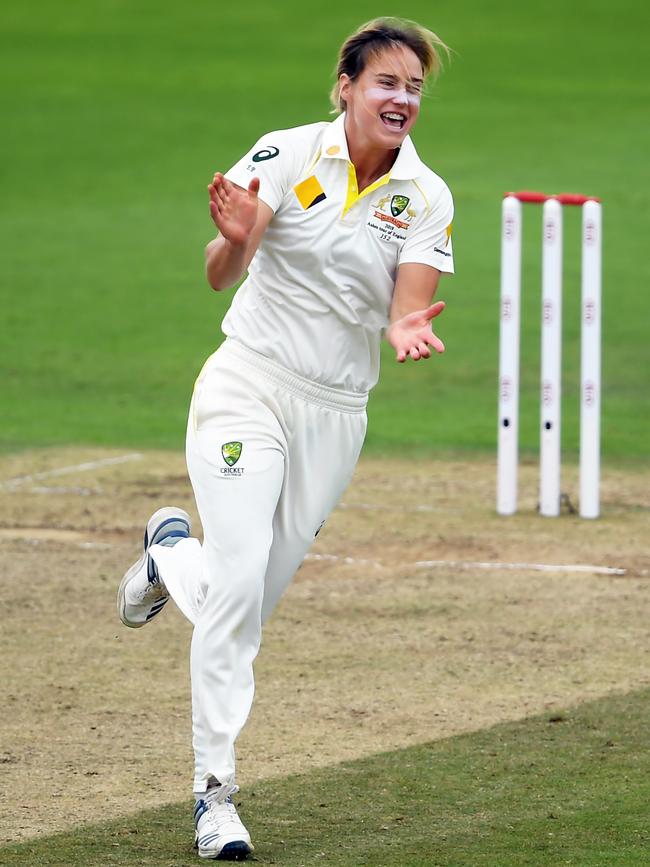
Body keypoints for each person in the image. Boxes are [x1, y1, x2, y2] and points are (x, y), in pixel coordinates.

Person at [117, 16, 454, 861]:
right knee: (235, 587)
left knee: (247, 600)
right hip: (247, 383)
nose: (401, 98)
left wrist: (407, 329)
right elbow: (220, 270)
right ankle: (215, 796)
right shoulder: (286, 154)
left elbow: (409, 301)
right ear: (345, 86)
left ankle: (167, 559)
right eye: (386, 82)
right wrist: (234, 243)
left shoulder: (426, 195)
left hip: (335, 414)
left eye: (413, 87)